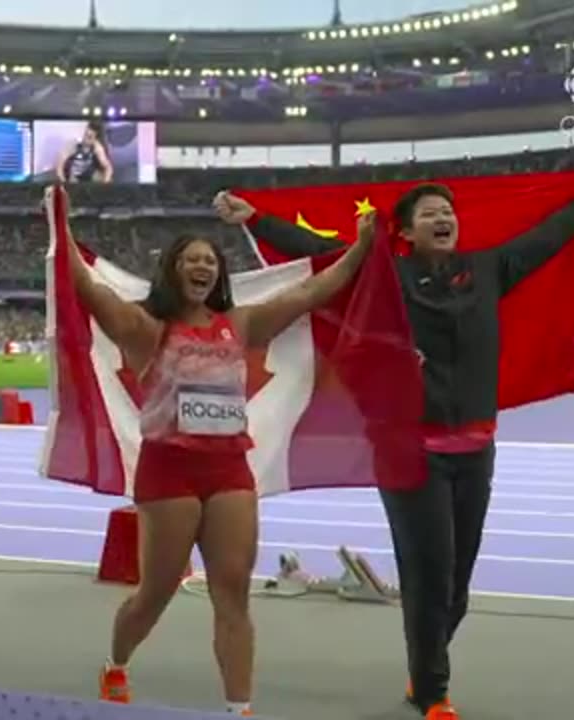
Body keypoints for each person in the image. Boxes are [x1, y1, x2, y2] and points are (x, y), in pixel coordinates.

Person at [213, 172, 574, 720]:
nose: (442, 218)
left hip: (475, 449)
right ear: (405, 230)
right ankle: (432, 691)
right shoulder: (387, 275)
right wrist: (256, 219)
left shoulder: (489, 268)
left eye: (446, 211)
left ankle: (424, 663)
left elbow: (546, 238)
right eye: (429, 212)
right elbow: (318, 252)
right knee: (428, 572)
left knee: (456, 586)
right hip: (409, 450)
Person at [51, 185, 380, 717]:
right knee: (153, 595)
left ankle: (239, 708)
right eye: (191, 259)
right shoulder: (145, 327)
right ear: (173, 271)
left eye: (210, 260)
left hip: (229, 470)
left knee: (234, 596)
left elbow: (313, 292)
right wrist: (57, 226)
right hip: (168, 473)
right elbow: (87, 288)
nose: (202, 266)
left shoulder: (242, 324)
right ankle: (116, 662)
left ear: (219, 275)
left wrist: (362, 247)